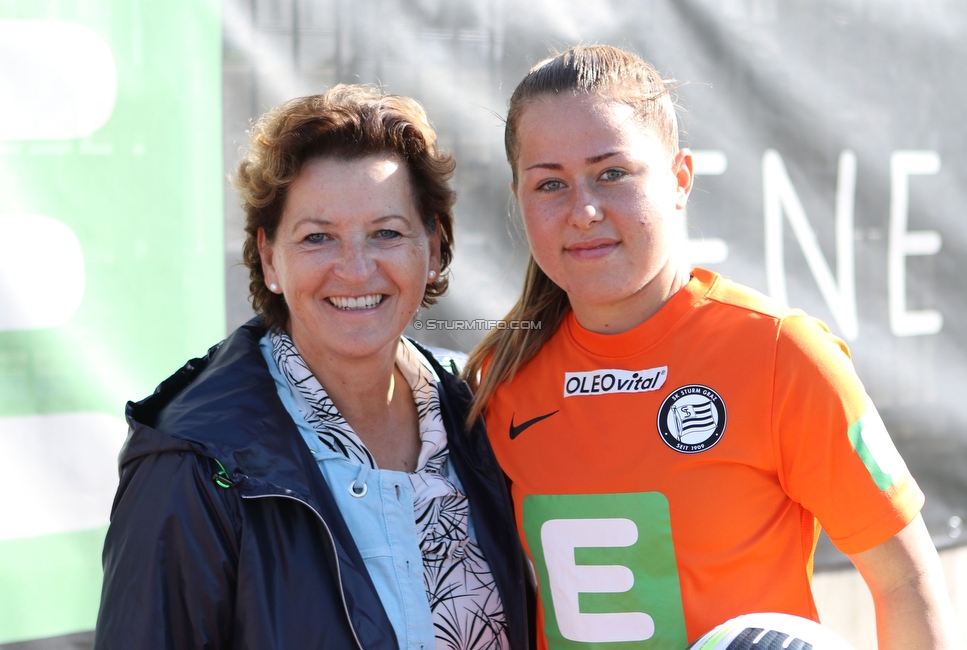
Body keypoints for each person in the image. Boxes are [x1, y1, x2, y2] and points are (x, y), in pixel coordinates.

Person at [464, 45, 957, 649]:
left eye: (612, 173)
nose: (584, 210)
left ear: (679, 179)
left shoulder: (781, 354)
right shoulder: (499, 377)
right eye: (550, 185)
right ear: (518, 197)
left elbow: (905, 579)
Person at [95, 85, 530, 650]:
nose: (355, 269)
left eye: (386, 233)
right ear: (270, 258)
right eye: (318, 237)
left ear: (435, 248)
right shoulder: (194, 461)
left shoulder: (481, 421)